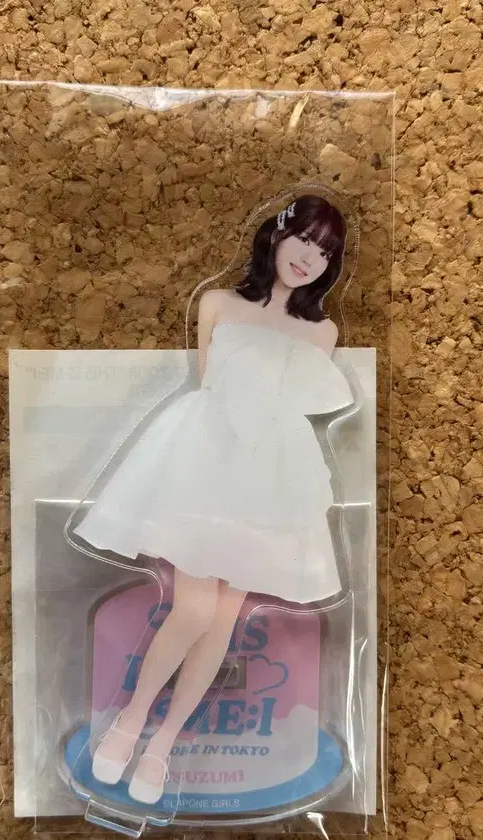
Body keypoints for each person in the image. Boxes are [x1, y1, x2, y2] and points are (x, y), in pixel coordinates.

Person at [72, 194, 355, 804]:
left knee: (223, 618)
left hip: (269, 475)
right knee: (196, 610)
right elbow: (209, 380)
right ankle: (130, 722)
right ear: (277, 236)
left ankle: (162, 744)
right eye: (304, 240)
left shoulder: (322, 331)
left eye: (326, 252)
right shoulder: (219, 304)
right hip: (205, 461)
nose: (310, 258)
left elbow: (296, 400)